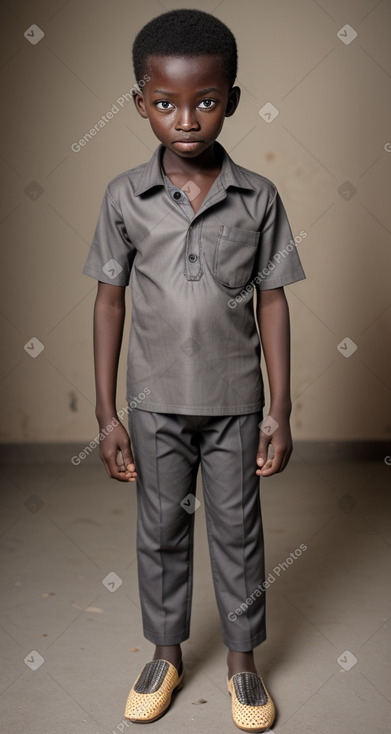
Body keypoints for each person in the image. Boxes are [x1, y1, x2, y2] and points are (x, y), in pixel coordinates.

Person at [82, 8, 306, 731]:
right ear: (141, 103)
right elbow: (109, 302)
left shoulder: (258, 198)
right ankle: (165, 653)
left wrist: (281, 407)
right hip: (153, 405)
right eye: (168, 103)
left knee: (238, 534)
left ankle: (244, 665)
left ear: (231, 100)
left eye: (206, 101)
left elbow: (272, 302)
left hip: (236, 402)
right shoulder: (124, 196)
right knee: (159, 530)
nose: (187, 119)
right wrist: (106, 413)